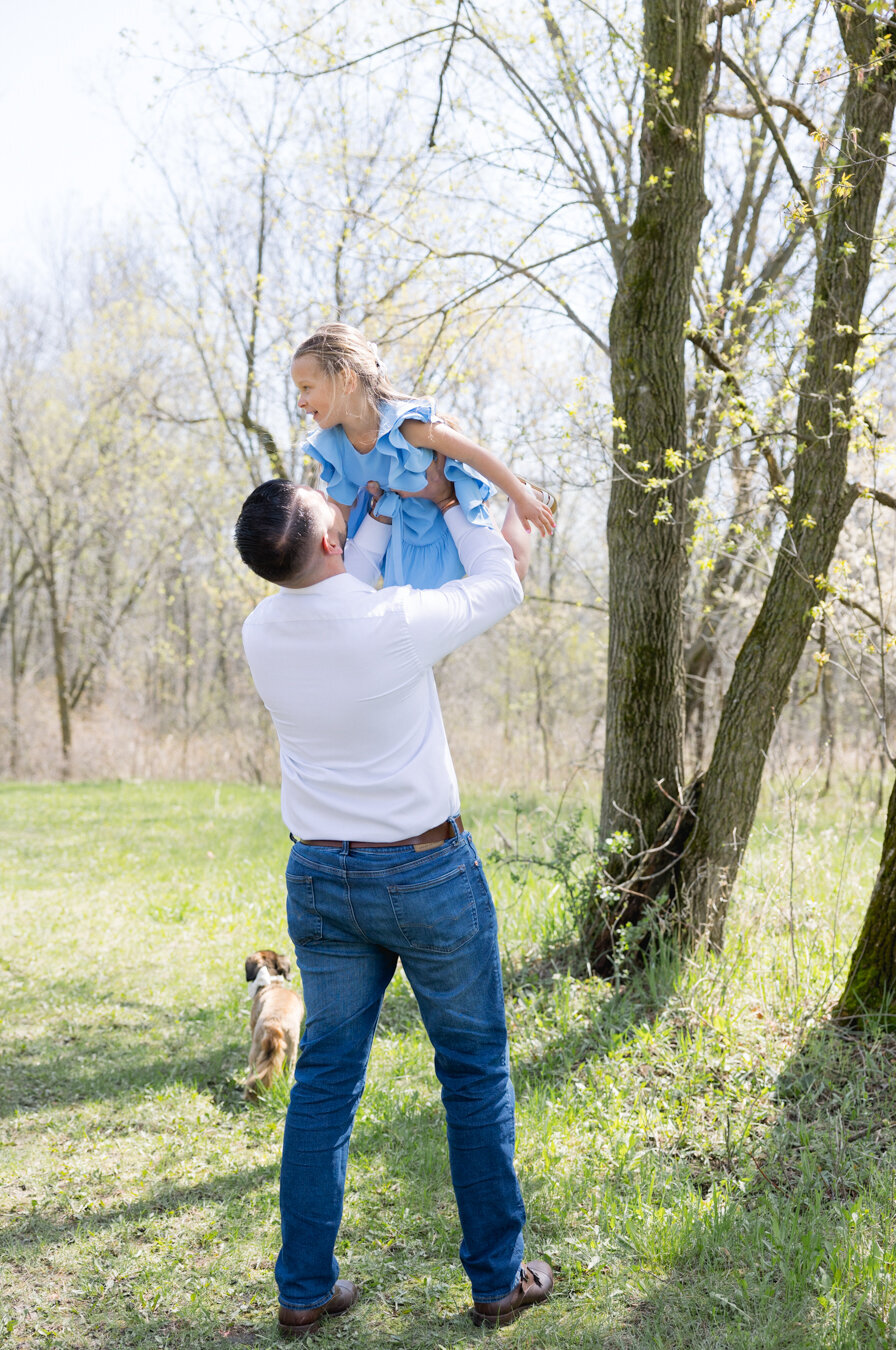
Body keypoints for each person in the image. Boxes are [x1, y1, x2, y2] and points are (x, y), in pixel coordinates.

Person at [234, 458, 555, 1337]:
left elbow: (337, 587)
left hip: (322, 881)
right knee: (474, 1070)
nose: (337, 500)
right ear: (327, 539)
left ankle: (303, 1288)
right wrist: (454, 504)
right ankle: (497, 1281)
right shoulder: (391, 625)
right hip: (424, 877)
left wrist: (366, 516)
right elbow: (501, 581)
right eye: (329, 505)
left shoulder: (264, 629)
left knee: (326, 1082)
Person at [291, 322, 555, 588]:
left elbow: (475, 456)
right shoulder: (332, 447)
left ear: (346, 380)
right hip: (405, 528)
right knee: (413, 592)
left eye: (307, 387)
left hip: (453, 503)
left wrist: (520, 499)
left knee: (509, 572)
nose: (300, 401)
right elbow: (339, 521)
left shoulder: (404, 425)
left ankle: (523, 491)